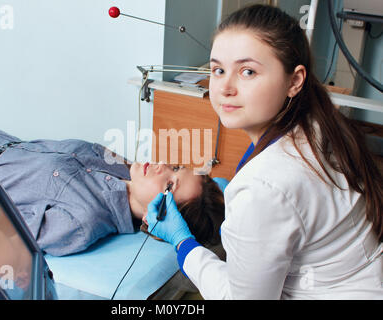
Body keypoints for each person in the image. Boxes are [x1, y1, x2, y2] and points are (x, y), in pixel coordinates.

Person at [146, 4, 382, 299]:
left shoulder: (264, 187)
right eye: (218, 70)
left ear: (294, 81)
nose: (225, 88)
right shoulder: (316, 124)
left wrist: (184, 245)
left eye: (247, 71)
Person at [0, 120, 225, 256]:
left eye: (170, 184)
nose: (162, 166)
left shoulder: (82, 221)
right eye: (176, 167)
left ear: (156, 218)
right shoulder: (123, 169)